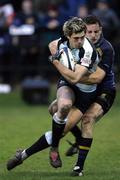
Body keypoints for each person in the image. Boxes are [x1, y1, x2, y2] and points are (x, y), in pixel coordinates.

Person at [6, 16, 99, 175]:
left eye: (83, 37)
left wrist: (56, 62)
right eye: (76, 38)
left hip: (85, 93)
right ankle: (54, 148)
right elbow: (51, 44)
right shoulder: (62, 41)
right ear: (68, 36)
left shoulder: (88, 50)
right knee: (62, 107)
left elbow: (76, 77)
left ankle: (22, 155)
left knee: (57, 119)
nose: (81, 41)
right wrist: (58, 55)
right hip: (69, 84)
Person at [48, 15, 116, 176]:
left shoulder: (106, 48)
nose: (93, 35)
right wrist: (68, 67)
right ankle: (79, 139)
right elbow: (53, 45)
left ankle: (78, 167)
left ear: (101, 31)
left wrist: (70, 73)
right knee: (54, 109)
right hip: (83, 87)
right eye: (89, 32)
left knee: (87, 119)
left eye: (96, 32)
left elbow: (97, 78)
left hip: (104, 90)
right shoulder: (78, 41)